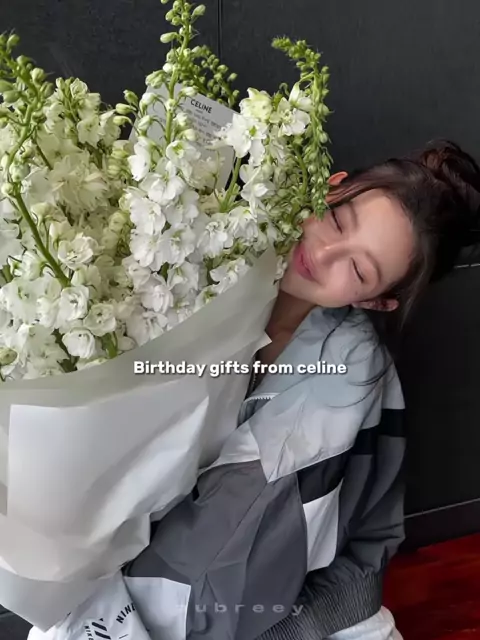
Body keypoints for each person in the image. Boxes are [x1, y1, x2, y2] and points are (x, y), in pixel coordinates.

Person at [28, 139, 480, 640]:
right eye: (336, 220)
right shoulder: (186, 263)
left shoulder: (346, 374)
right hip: (94, 574)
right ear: (331, 186)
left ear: (376, 301)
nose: (323, 252)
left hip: (244, 606)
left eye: (357, 270)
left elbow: (232, 558)